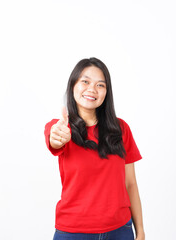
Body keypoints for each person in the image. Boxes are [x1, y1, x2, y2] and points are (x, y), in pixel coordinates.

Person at [44, 57, 145, 240]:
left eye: (100, 85)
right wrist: (58, 137)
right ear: (73, 85)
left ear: (107, 92)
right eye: (85, 81)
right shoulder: (60, 127)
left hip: (120, 230)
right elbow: (55, 139)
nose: (92, 89)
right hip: (73, 232)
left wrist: (140, 231)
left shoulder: (121, 129)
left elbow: (130, 183)